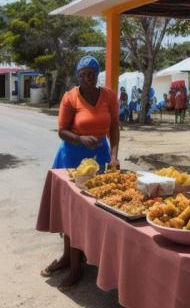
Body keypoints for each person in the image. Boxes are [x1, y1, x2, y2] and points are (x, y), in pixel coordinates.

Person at [40, 55, 120, 290]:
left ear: (97, 76)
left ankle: (84, 255)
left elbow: (114, 127)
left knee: (97, 209)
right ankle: (73, 265)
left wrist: (114, 156)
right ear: (78, 76)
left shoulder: (108, 96)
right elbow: (62, 131)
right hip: (71, 159)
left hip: (100, 157)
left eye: (91, 74)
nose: (86, 78)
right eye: (82, 74)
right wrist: (81, 138)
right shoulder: (70, 97)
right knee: (72, 211)